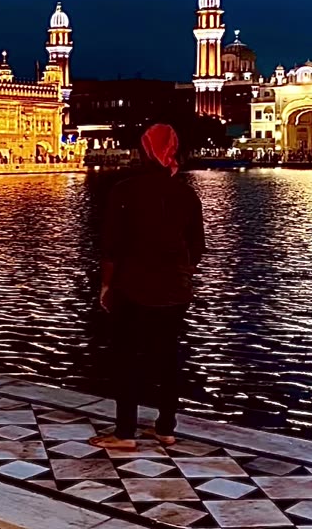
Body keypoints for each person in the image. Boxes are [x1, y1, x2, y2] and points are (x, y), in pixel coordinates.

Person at [90, 123, 205, 450]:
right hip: (175, 291)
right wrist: (180, 274)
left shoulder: (125, 190)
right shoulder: (185, 192)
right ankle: (166, 428)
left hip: (132, 287)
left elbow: (111, 246)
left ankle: (125, 432)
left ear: (145, 151)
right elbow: (197, 246)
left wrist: (106, 286)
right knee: (168, 357)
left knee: (127, 357)